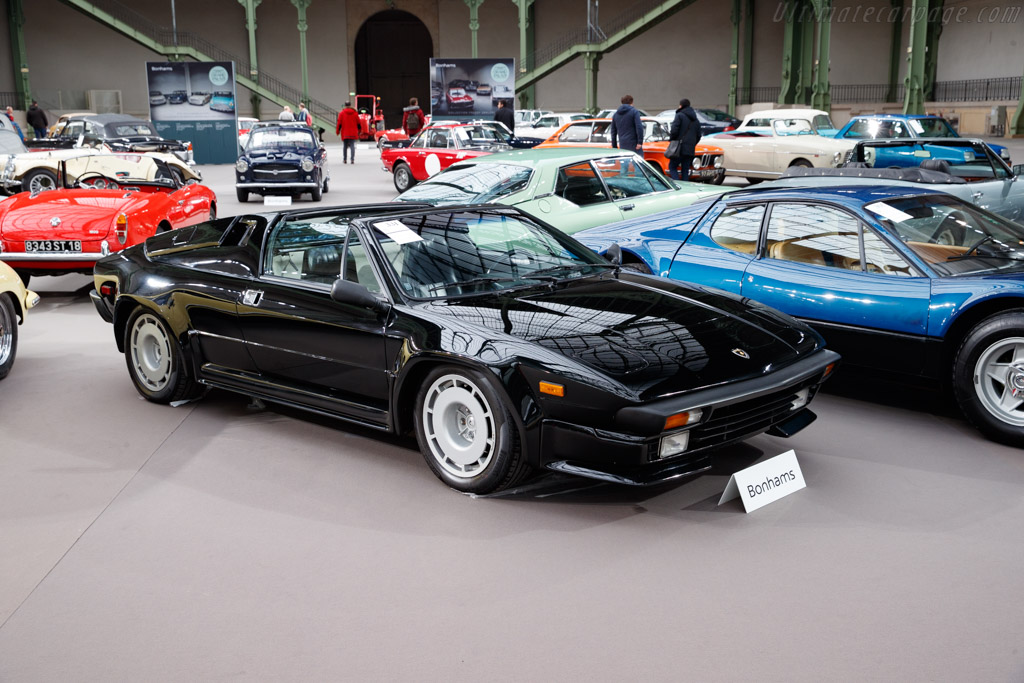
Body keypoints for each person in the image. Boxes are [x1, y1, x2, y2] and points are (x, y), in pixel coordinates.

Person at [668, 98, 701, 181]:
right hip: (690, 149)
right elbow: (699, 135)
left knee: (672, 166)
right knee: (685, 170)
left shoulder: (679, 115)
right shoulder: (696, 119)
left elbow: (674, 130)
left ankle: (677, 184)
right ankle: (685, 188)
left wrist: (672, 139)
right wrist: (692, 143)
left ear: (681, 106)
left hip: (680, 148)